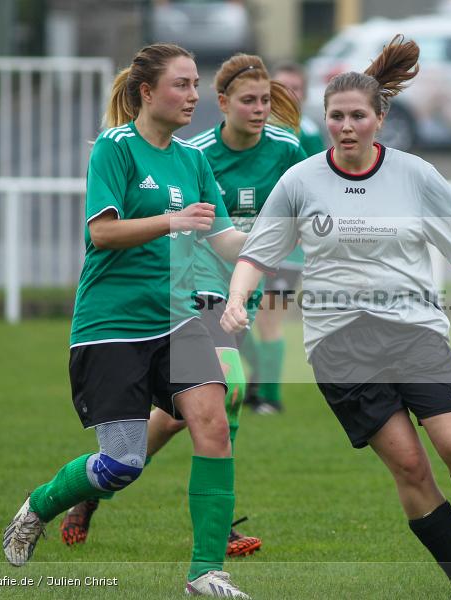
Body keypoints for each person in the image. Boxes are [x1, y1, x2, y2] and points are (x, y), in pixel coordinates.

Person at [220, 36, 451, 600]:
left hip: (414, 332)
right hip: (338, 346)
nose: (346, 126)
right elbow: (257, 254)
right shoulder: (300, 181)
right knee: (408, 466)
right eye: (336, 116)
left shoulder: (415, 174)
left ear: (380, 118)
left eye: (357, 116)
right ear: (325, 119)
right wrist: (237, 299)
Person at [1, 43, 252, 599]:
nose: (193, 95)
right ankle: (39, 506)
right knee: (123, 462)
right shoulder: (115, 149)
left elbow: (225, 239)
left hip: (180, 320)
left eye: (195, 84)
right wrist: (171, 220)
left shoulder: (193, 160)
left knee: (213, 424)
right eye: (181, 84)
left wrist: (285, 239)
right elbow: (102, 233)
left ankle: (206, 572)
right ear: (146, 92)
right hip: (111, 326)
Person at [59, 53, 306, 558]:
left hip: (239, 285)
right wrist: (177, 222)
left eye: (265, 100)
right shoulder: (185, 149)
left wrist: (302, 238)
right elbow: (109, 232)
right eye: (248, 100)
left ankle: (99, 488)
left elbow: (246, 232)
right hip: (194, 289)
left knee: (176, 418)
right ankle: (218, 526)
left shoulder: (285, 149)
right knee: (228, 388)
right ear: (225, 104)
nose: (259, 109)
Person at [241, 62, 326, 415]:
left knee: (269, 317)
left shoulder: (306, 133)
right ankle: (259, 378)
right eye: (282, 87)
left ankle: (269, 398)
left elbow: (317, 187)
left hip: (288, 245)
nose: (289, 93)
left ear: (304, 93)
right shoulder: (255, 131)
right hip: (247, 242)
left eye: (296, 87)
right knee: (233, 319)